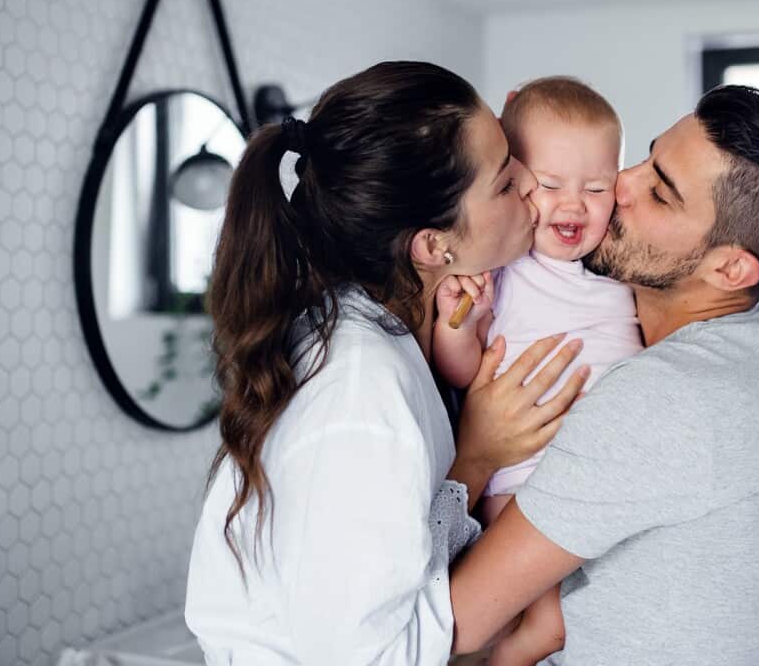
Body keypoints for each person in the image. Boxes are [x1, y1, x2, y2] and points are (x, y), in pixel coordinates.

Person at [183, 61, 591, 665]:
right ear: (433, 245)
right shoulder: (358, 393)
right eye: (506, 182)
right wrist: (475, 457)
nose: (534, 185)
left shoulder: (394, 329)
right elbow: (368, 656)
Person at [449, 84, 759, 665]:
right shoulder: (750, 341)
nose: (620, 186)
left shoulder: (662, 398)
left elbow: (453, 623)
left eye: (660, 194)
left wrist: (476, 457)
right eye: (644, 158)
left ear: (731, 267)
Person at [432, 76, 641, 665]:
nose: (573, 205)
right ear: (518, 181)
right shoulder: (504, 265)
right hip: (521, 480)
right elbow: (464, 369)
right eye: (550, 185)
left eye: (597, 189)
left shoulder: (618, 266)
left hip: (597, 480)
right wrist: (454, 325)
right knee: (543, 629)